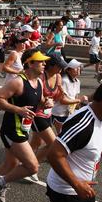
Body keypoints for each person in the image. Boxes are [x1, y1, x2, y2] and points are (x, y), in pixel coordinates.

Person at [0, 49, 53, 202]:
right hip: (11, 129)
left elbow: (39, 100)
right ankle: (2, 182)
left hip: (23, 128)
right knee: (32, 167)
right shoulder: (18, 82)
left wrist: (46, 102)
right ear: (29, 63)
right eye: (40, 61)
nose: (44, 64)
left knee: (10, 163)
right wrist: (18, 109)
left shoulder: (38, 81)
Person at [28, 53, 67, 181]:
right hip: (37, 113)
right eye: (59, 66)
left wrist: (61, 95)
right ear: (50, 66)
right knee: (53, 143)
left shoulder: (58, 77)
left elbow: (57, 98)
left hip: (47, 113)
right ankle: (33, 166)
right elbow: (34, 95)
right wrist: (44, 100)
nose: (61, 69)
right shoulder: (41, 76)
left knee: (37, 142)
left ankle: (21, 157)